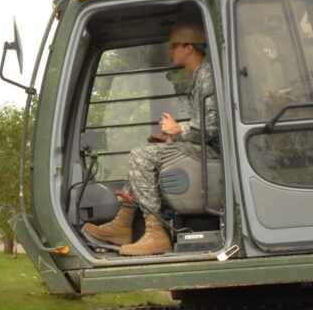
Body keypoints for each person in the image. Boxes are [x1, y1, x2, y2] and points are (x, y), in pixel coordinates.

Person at [83, 18, 219, 256]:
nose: (170, 51)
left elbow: (214, 126)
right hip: (203, 148)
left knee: (141, 156)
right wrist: (173, 137)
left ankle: (155, 234)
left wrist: (179, 131)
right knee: (145, 154)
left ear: (189, 47)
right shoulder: (199, 76)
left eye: (174, 46)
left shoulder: (207, 76)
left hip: (214, 152)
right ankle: (122, 225)